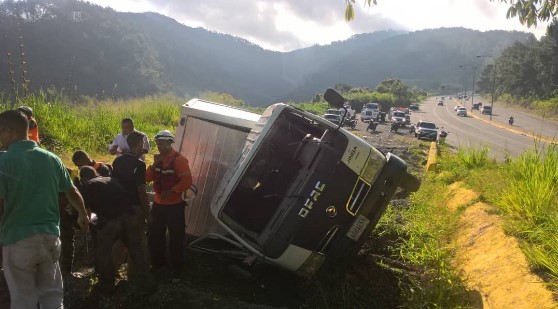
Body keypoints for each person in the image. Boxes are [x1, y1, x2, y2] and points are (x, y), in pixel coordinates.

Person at [0, 109, 88, 308]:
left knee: (23, 298)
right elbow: (72, 192)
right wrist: (83, 214)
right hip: (50, 238)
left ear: (9, 131)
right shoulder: (51, 158)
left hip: (18, 239)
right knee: (52, 295)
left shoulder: (3, 162)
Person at [79, 166, 149, 290]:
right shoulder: (111, 180)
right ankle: (144, 282)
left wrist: (86, 227)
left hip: (110, 219)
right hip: (130, 215)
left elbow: (87, 214)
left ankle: (107, 284)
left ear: (84, 178)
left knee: (103, 252)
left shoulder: (88, 185)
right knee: (136, 248)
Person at [146, 130, 192, 273]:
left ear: (168, 143)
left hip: (175, 206)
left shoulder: (179, 160)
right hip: (159, 205)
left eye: (160, 143)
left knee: (176, 237)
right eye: (157, 143)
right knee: (155, 236)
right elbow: (146, 178)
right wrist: (154, 165)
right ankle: (158, 265)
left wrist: (172, 191)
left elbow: (187, 182)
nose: (158, 146)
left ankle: (177, 268)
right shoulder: (157, 159)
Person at [111, 131, 150, 274]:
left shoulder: (117, 161)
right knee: (135, 242)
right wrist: (147, 213)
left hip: (119, 206)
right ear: (139, 144)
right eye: (143, 143)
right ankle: (132, 276)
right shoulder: (140, 165)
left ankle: (110, 272)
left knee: (121, 240)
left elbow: (112, 183)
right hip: (134, 208)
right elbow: (141, 191)